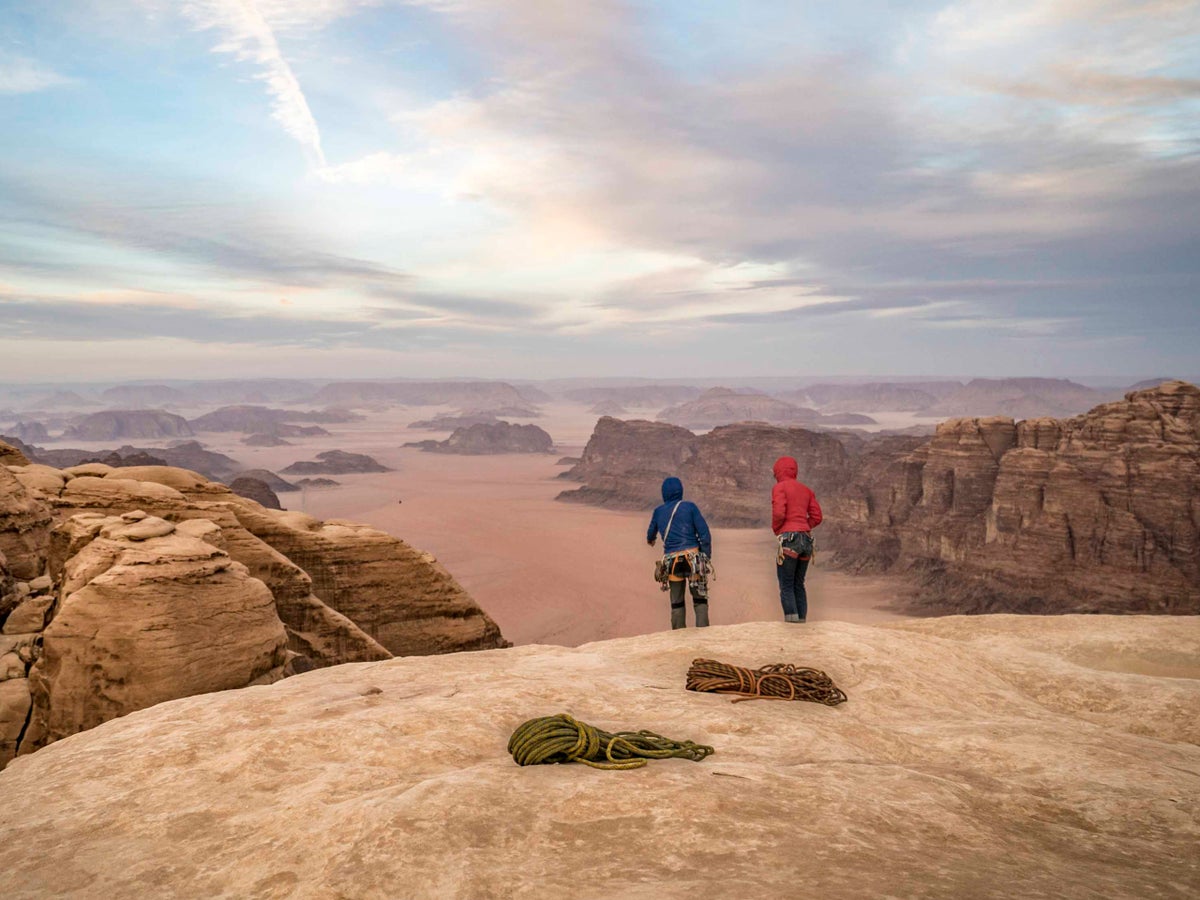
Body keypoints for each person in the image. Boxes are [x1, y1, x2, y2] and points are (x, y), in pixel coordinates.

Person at [647, 476, 712, 630]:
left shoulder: (658, 512)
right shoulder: (690, 507)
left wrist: (651, 540)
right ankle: (704, 636)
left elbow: (650, 534)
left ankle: (678, 638)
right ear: (680, 491)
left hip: (672, 562)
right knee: (700, 600)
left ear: (664, 493)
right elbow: (704, 534)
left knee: (677, 603)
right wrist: (706, 556)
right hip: (694, 560)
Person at [771, 456, 822, 623]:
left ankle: (792, 626)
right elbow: (817, 516)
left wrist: (779, 529)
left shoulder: (779, 487)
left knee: (786, 585)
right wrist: (803, 526)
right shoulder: (806, 490)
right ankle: (801, 623)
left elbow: (779, 513)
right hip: (806, 540)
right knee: (799, 584)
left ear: (778, 471)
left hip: (789, 539)